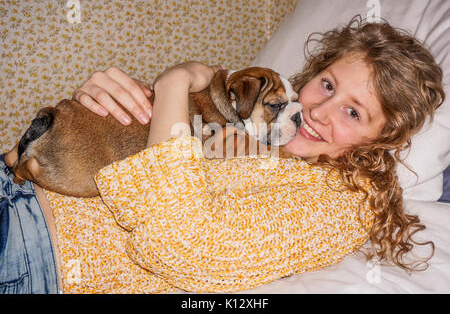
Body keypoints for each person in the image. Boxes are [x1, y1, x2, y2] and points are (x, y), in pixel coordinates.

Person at [0, 17, 444, 293]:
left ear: (378, 141)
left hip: (31, 249)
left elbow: (181, 243)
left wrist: (175, 81)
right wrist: (105, 106)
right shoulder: (263, 126)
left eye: (353, 112)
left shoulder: (342, 203)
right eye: (327, 85)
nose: (317, 112)